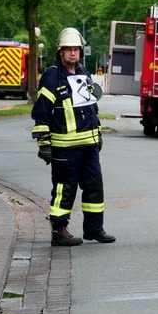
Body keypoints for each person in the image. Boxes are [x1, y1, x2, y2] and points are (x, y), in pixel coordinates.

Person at [31, 27, 115, 246]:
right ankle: (59, 231)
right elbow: (41, 112)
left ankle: (94, 229)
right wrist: (43, 142)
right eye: (68, 49)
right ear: (60, 52)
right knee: (64, 189)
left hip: (89, 144)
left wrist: (97, 134)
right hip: (64, 147)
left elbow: (90, 108)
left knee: (94, 186)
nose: (72, 53)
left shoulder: (84, 74)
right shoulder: (51, 76)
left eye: (76, 49)